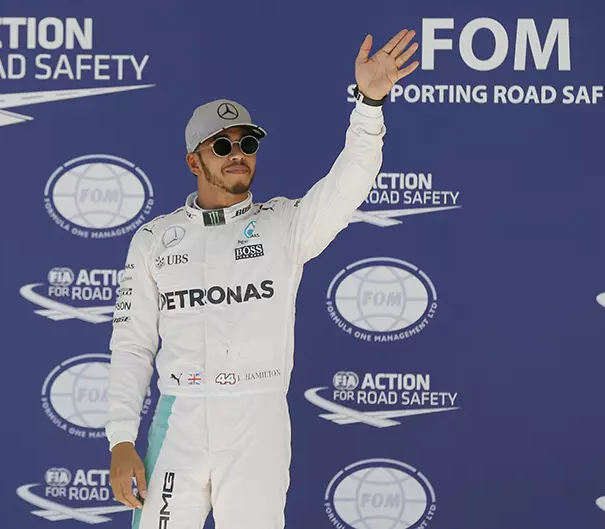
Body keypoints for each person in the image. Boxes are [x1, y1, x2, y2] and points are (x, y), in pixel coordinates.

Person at [106, 28, 419, 529]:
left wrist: (370, 105)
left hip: (257, 421)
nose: (238, 152)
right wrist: (121, 439)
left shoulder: (284, 226)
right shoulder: (153, 240)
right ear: (193, 161)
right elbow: (132, 346)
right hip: (179, 421)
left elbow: (352, 179)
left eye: (247, 143)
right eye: (222, 144)